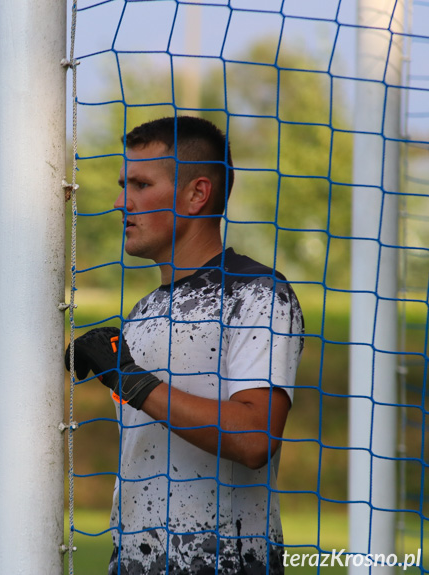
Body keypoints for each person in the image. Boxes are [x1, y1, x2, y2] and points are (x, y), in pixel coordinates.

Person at [65, 116, 304, 575]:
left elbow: (256, 437)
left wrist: (132, 382)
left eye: (139, 184)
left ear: (197, 194)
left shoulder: (257, 294)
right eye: (123, 184)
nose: (120, 202)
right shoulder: (141, 314)